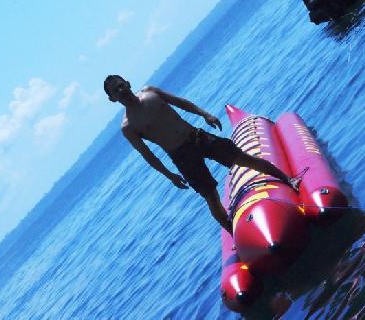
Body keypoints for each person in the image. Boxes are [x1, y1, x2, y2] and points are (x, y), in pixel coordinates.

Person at [104, 75, 300, 235]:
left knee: (244, 159)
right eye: (116, 90)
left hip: (196, 136)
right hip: (180, 156)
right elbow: (148, 156)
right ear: (112, 99)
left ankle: (288, 180)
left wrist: (204, 114)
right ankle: (235, 234)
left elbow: (180, 102)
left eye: (122, 85)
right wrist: (170, 175)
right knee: (211, 196)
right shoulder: (128, 126)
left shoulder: (150, 92)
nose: (121, 90)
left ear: (128, 83)